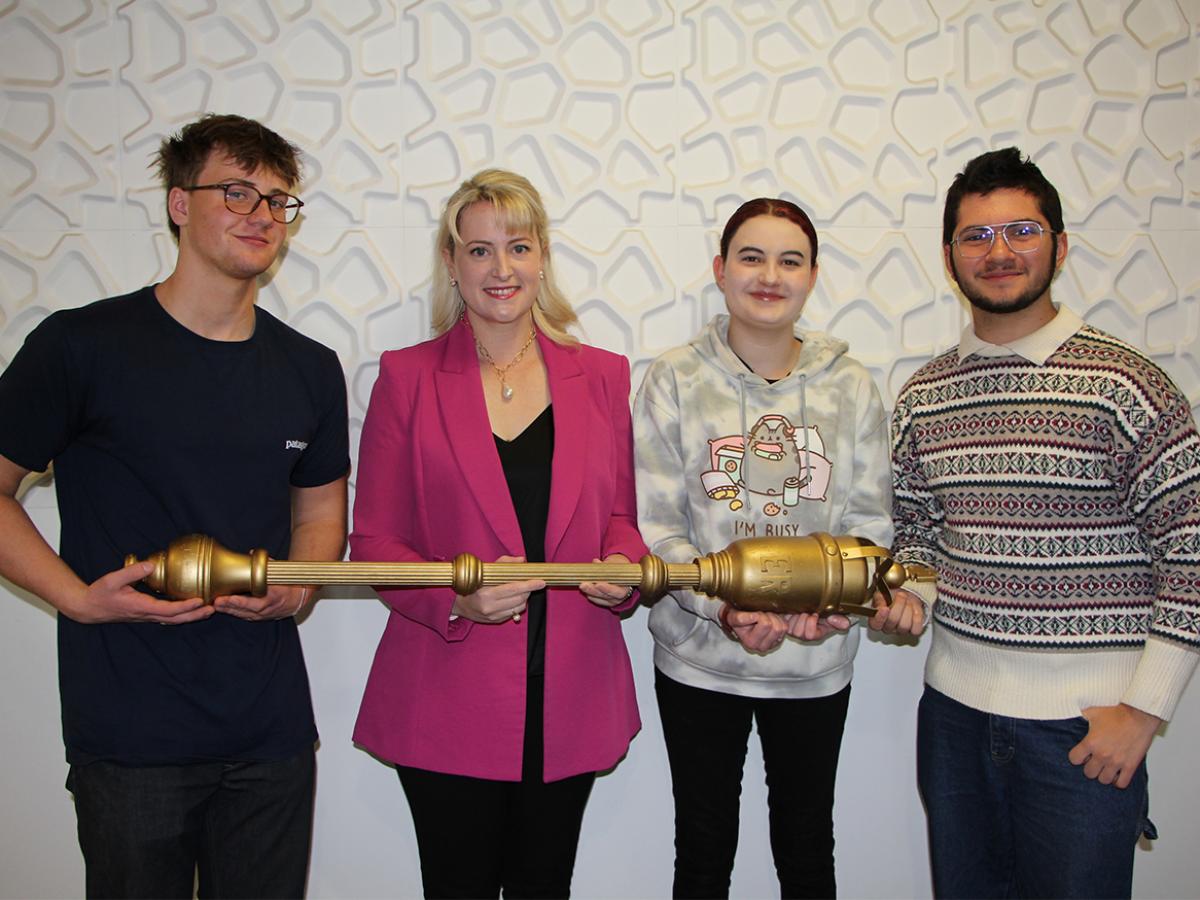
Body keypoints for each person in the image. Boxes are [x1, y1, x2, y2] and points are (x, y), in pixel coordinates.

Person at [0, 114, 349, 898]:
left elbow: (321, 512)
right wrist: (75, 600)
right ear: (178, 204)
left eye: (278, 199)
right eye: (236, 191)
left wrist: (302, 582)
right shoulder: (80, 347)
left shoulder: (310, 369)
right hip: (129, 738)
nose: (261, 214)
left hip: (270, 739)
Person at [890, 146, 1200, 898]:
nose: (999, 252)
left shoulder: (1127, 384)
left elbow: (1192, 549)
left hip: (1084, 731)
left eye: (1021, 232)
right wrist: (912, 596)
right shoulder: (924, 394)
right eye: (976, 236)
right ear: (949, 257)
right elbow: (920, 535)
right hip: (955, 721)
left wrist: (1145, 710)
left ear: (1059, 246)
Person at [350, 168, 646, 899]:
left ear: (542, 256)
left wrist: (622, 567)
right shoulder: (406, 377)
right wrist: (456, 598)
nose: (501, 268)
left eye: (517, 246)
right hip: (446, 694)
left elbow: (622, 520)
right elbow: (375, 543)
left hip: (570, 692)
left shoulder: (603, 376)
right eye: (479, 251)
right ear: (452, 264)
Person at [633, 197, 925, 899]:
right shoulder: (673, 378)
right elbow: (660, 526)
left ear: (813, 276)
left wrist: (825, 607)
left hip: (815, 661)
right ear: (720, 270)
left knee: (806, 844)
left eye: (790, 260)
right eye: (752, 257)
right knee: (701, 850)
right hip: (700, 663)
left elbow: (869, 522)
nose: (770, 275)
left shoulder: (852, 386)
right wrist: (724, 609)